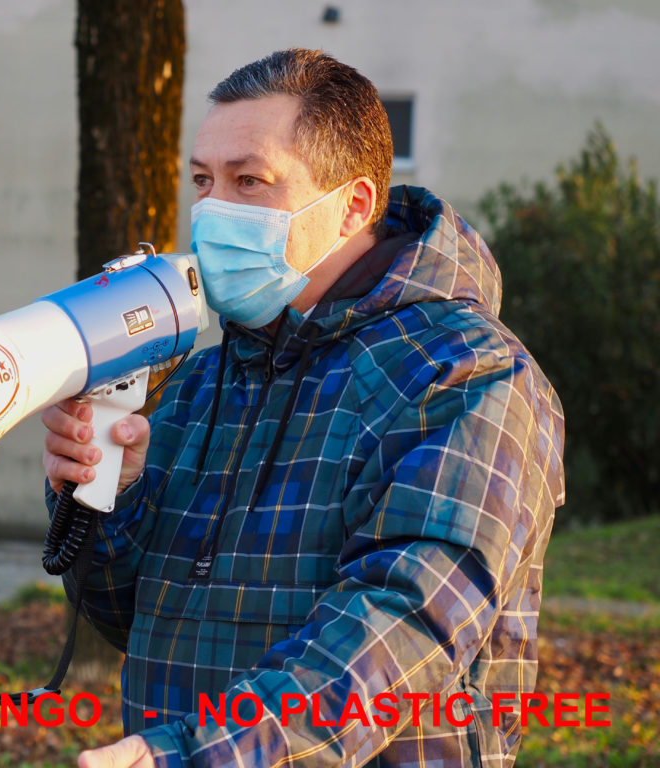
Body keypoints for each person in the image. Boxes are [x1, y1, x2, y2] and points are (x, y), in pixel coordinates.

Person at [42, 48, 565, 768]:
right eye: (203, 181)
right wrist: (109, 496)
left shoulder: (466, 375)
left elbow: (399, 629)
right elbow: (127, 615)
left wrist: (195, 756)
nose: (212, 211)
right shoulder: (201, 383)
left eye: (249, 181)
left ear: (352, 205)